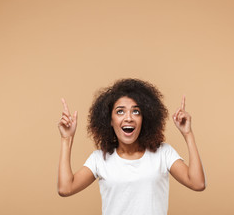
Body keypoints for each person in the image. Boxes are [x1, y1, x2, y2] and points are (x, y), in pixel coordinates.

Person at [57, 78, 206, 215]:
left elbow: (197, 183)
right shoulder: (99, 159)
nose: (128, 118)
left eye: (136, 111)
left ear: (145, 118)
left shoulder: (163, 153)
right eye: (120, 111)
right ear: (110, 120)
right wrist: (66, 138)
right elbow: (65, 188)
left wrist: (188, 133)